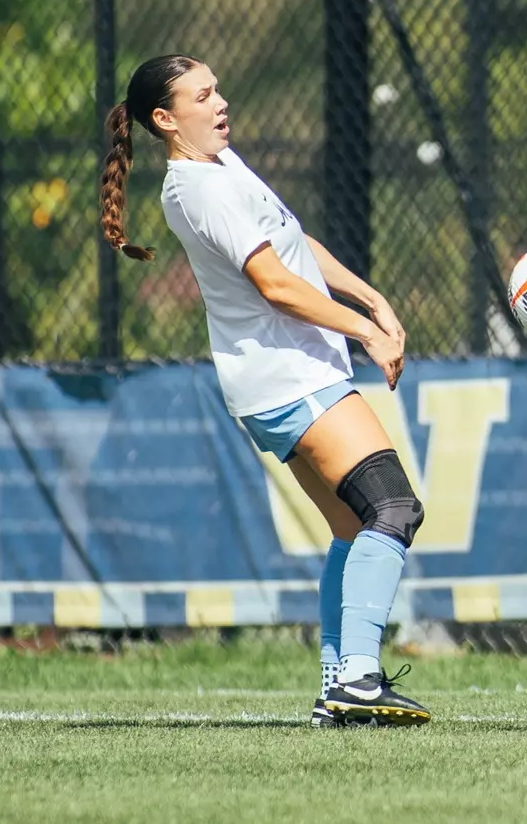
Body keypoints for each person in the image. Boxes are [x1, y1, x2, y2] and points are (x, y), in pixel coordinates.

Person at [100, 54, 429, 728]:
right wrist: (366, 331)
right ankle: (359, 679)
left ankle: (338, 688)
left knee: (352, 528)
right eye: (201, 96)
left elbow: (292, 243)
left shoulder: (221, 165)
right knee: (393, 507)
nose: (219, 102)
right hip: (289, 377)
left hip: (285, 378)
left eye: (217, 89)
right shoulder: (197, 187)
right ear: (166, 119)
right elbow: (276, 285)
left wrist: (370, 297)